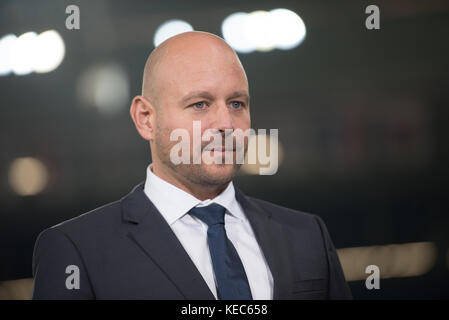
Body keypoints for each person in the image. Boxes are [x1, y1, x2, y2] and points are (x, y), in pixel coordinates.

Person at [32, 31, 352, 300]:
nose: (226, 123)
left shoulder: (307, 235)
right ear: (146, 119)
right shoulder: (77, 250)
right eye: (200, 104)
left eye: (237, 103)